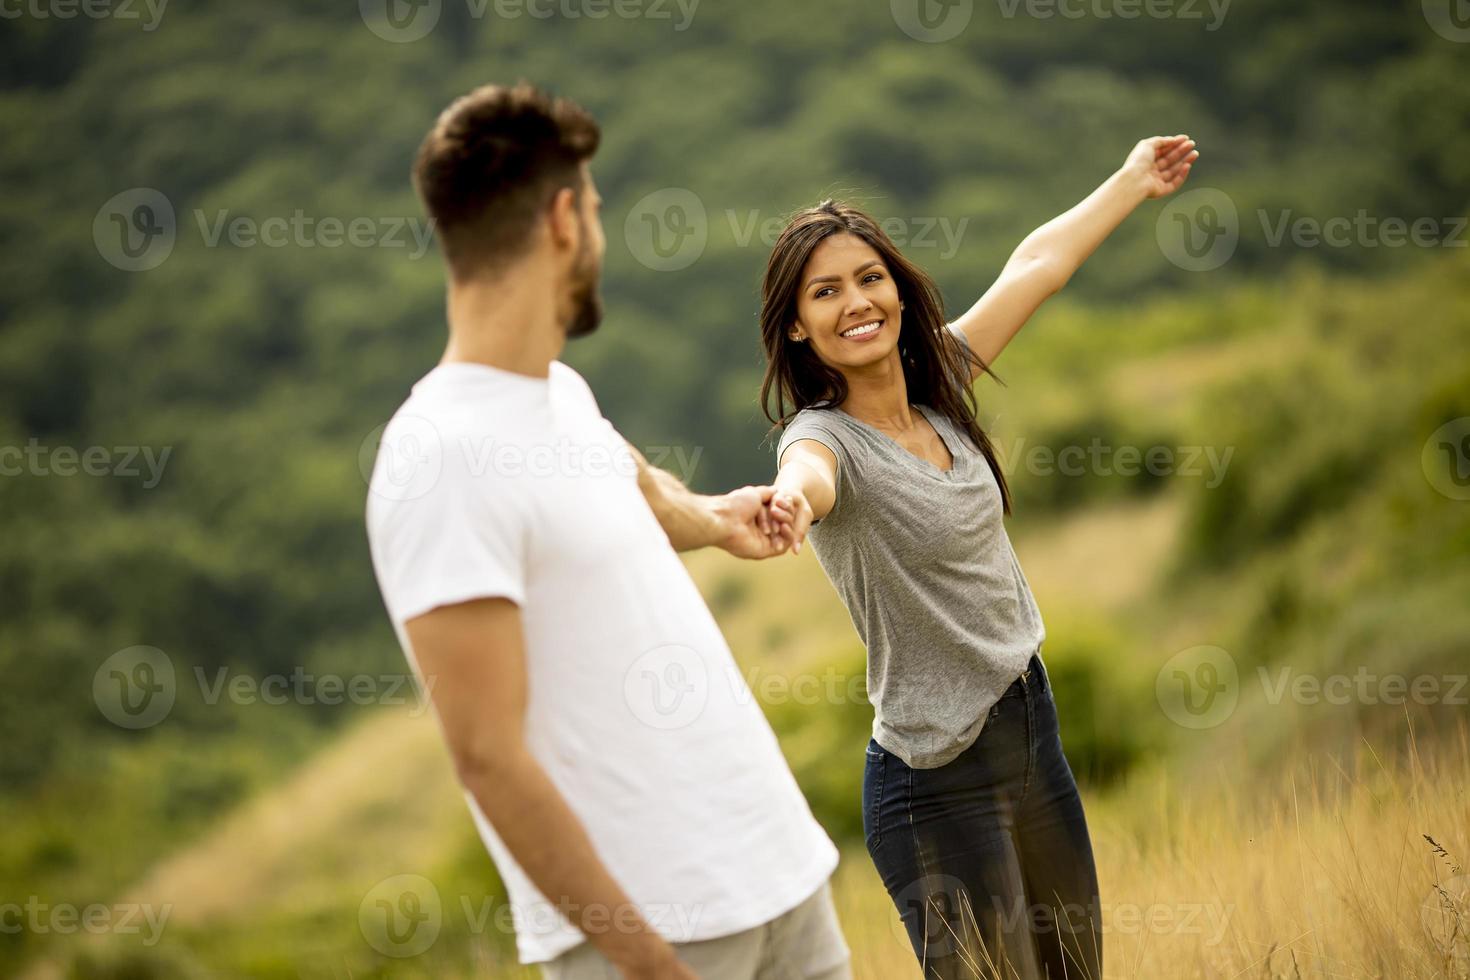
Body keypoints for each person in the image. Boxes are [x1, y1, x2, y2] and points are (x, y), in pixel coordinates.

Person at [365, 82, 850, 980]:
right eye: (593, 208)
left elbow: (626, 480)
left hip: (779, 875)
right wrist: (644, 962)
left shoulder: (561, 394)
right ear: (561, 220)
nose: (598, 231)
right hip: (655, 937)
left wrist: (712, 519)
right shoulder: (436, 458)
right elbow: (486, 758)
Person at [759, 136, 1200, 979]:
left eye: (868, 278)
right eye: (826, 292)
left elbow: (1037, 263)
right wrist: (787, 503)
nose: (856, 302)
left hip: (1032, 733)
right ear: (798, 326)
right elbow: (805, 477)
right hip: (933, 785)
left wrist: (1130, 180)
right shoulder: (824, 442)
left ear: (896, 287)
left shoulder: (946, 384)